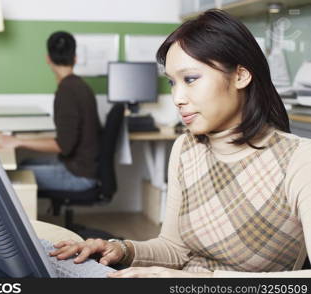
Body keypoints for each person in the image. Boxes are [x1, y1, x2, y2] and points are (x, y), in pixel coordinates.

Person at [48, 9, 311, 277]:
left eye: (191, 79)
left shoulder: (299, 160)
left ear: (241, 76)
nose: (177, 98)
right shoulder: (185, 149)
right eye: (172, 82)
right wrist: (121, 249)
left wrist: (199, 280)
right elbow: (175, 248)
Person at [0, 31, 101, 192]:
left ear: (48, 58)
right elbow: (67, 139)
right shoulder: (81, 87)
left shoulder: (67, 92)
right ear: (75, 58)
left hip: (80, 175)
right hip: (82, 166)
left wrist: (18, 142)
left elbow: (63, 146)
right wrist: (18, 139)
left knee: (12, 176)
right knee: (24, 164)